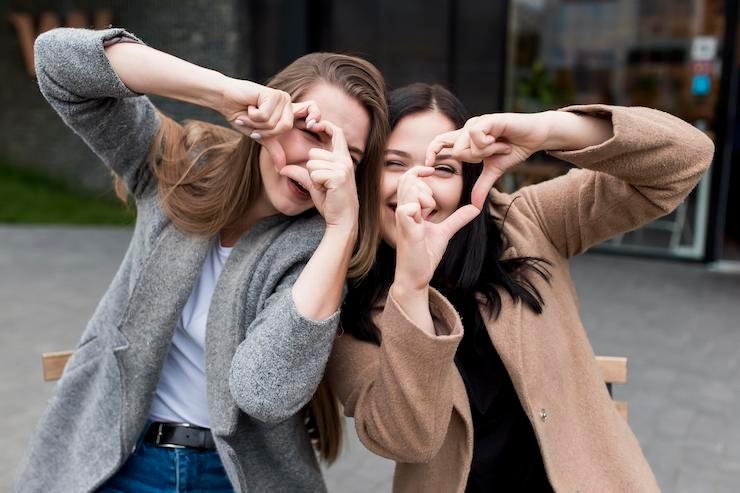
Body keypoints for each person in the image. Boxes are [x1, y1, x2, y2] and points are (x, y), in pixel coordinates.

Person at [16, 26, 388, 493]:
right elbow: (58, 63)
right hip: (113, 461)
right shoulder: (184, 164)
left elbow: (265, 394)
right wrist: (223, 92)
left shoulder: (321, 249)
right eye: (310, 131)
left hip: (235, 479)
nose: (318, 163)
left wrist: (340, 230)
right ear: (270, 111)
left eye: (345, 155)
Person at [328, 83, 714, 492]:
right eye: (394, 164)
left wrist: (548, 130)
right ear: (365, 177)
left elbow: (684, 159)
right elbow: (408, 440)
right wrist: (410, 284)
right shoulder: (349, 302)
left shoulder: (525, 222)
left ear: (467, 179)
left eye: (443, 167)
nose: (417, 184)